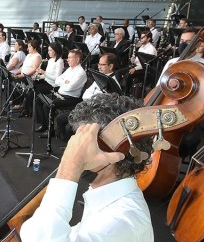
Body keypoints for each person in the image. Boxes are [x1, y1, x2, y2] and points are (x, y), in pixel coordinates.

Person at [20, 93, 154, 241]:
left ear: (113, 155)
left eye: (83, 145)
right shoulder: (106, 194)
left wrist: (68, 170)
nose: (74, 150)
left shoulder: (119, 224)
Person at [54, 53, 120, 140]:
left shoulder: (113, 83)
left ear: (111, 66)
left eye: (102, 64)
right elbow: (86, 94)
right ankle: (68, 143)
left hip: (97, 114)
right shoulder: (100, 76)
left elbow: (102, 103)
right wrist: (93, 97)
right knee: (60, 118)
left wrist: (92, 97)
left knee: (67, 126)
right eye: (98, 64)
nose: (99, 67)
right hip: (87, 108)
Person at [34, 49, 87, 133]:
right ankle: (44, 125)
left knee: (47, 105)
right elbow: (57, 80)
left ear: (77, 59)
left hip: (71, 98)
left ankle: (50, 130)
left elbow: (70, 88)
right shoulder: (70, 69)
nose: (67, 59)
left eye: (70, 57)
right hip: (61, 94)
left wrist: (64, 82)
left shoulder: (81, 73)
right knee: (39, 100)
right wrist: (65, 82)